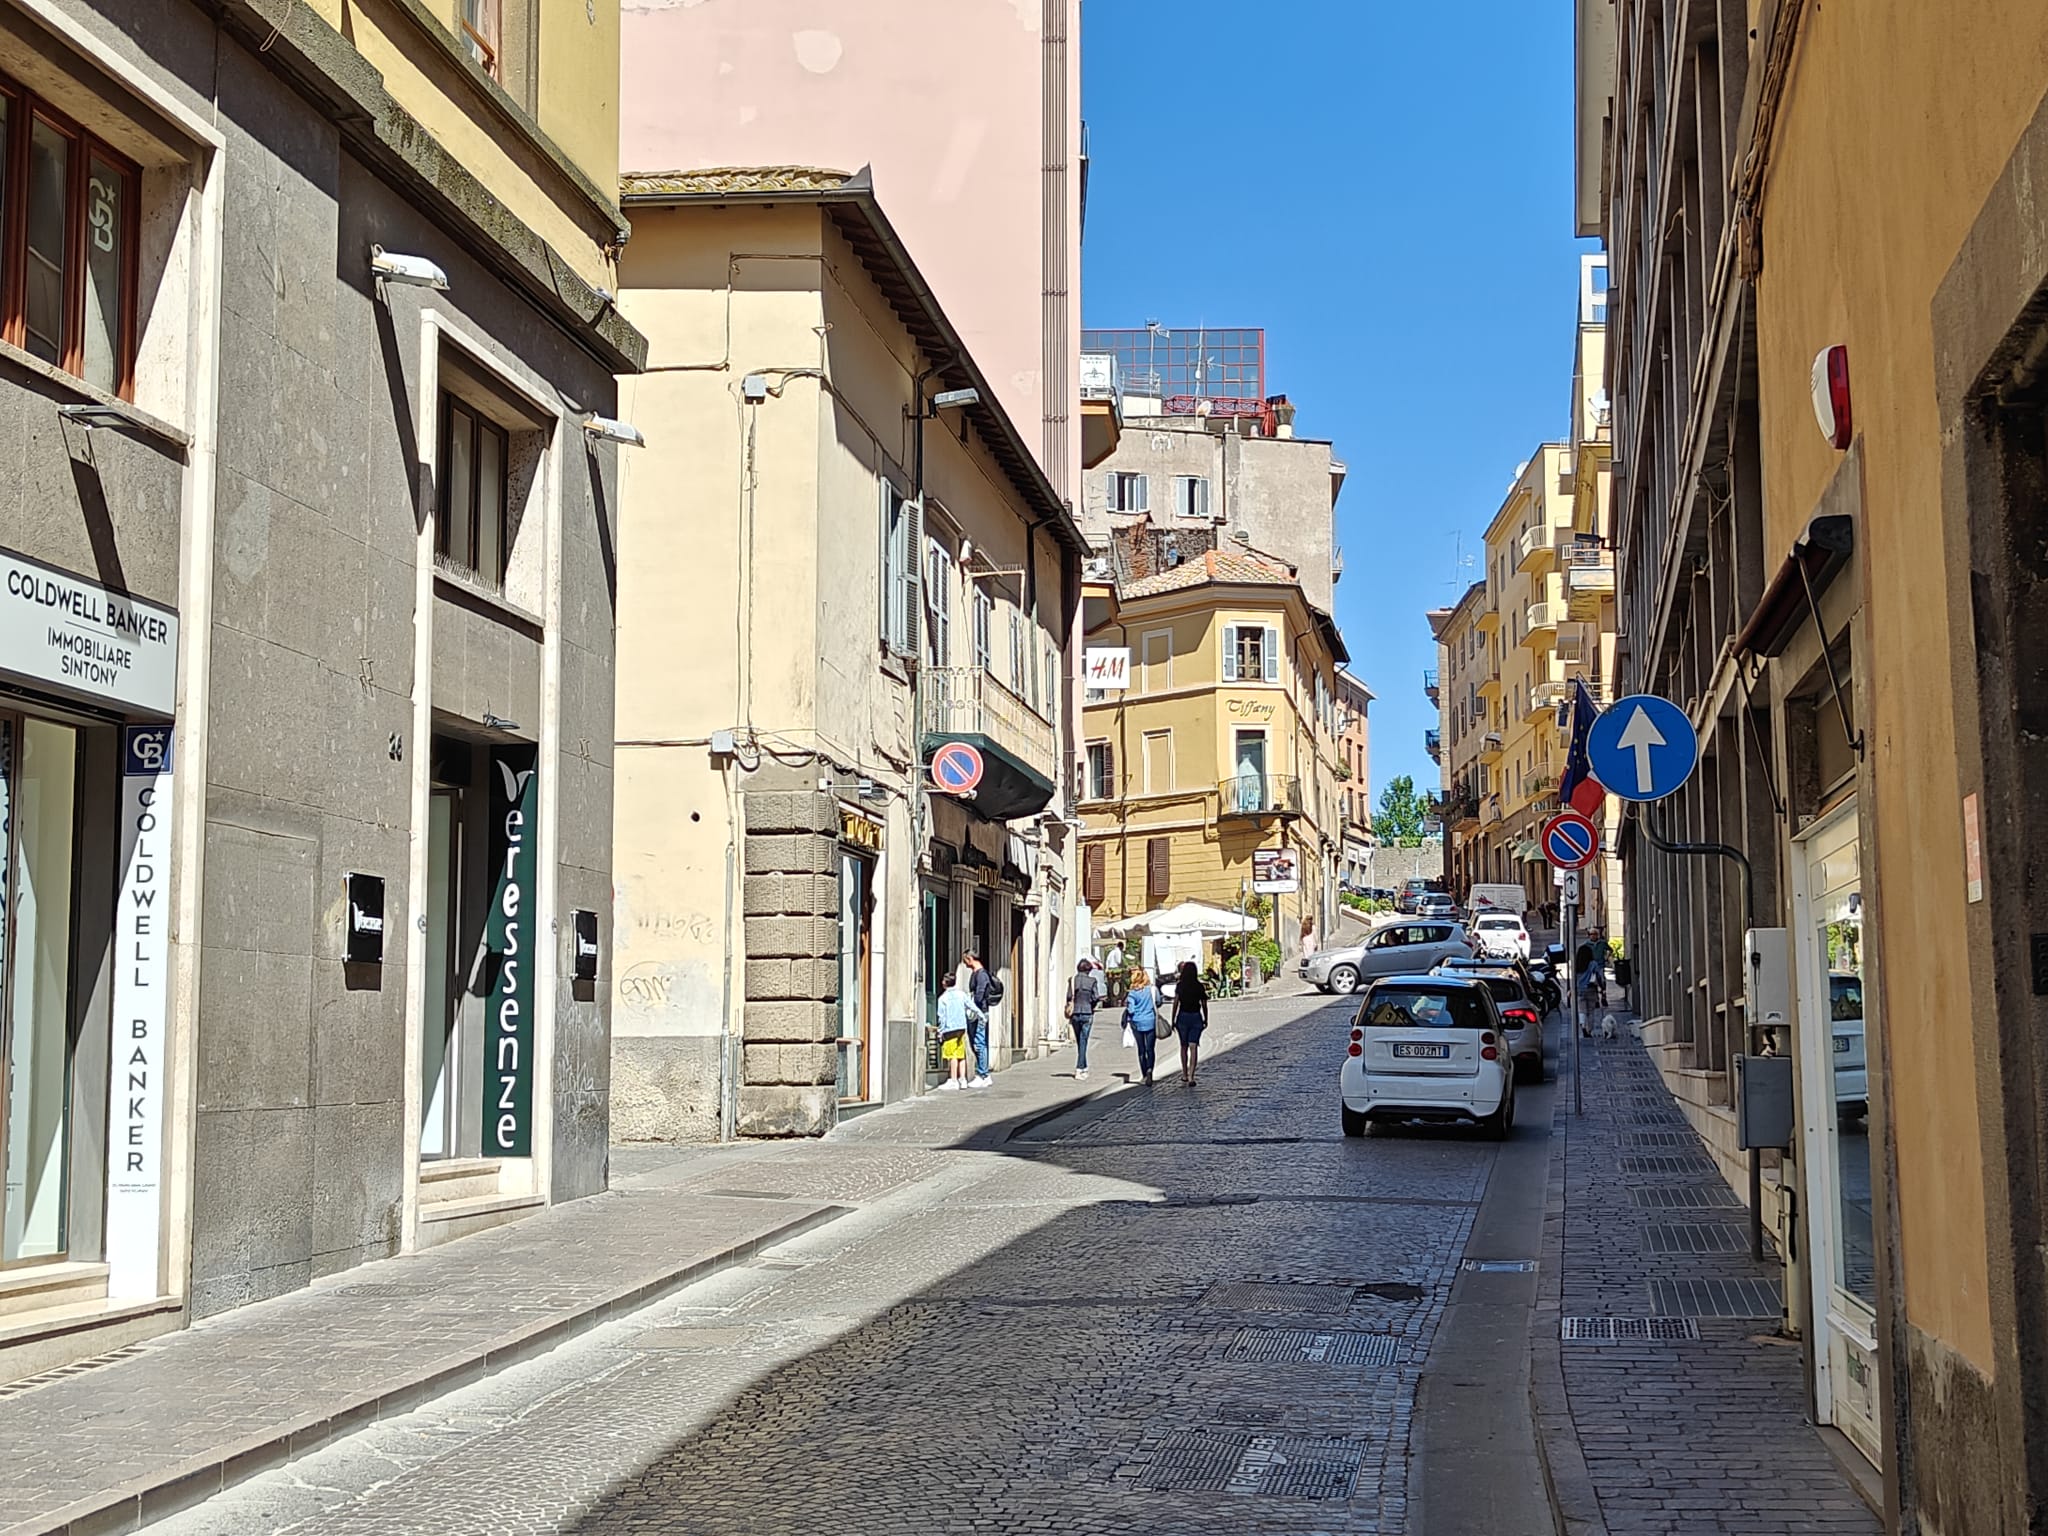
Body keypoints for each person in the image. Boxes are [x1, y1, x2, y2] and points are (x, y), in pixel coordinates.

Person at [935, 974, 985, 1091]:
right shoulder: (961, 995)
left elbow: (942, 1017)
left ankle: (953, 1080)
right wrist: (981, 1016)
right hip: (961, 1028)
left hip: (949, 1029)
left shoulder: (942, 998)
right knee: (961, 1054)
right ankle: (963, 1079)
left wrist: (940, 1031)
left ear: (944, 983)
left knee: (952, 1055)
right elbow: (972, 1006)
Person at [961, 951, 996, 1089]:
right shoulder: (976, 973)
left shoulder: (981, 974)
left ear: (970, 959)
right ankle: (982, 1073)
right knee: (977, 1042)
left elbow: (980, 993)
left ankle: (984, 1075)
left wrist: (973, 1008)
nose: (964, 963)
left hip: (979, 1012)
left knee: (979, 1042)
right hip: (977, 1012)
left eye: (965, 960)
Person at [1172, 960, 1209, 1086]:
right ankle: (1192, 1076)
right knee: (1193, 1046)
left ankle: (1184, 1074)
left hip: (1182, 1017)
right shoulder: (1199, 986)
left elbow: (1176, 1003)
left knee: (1183, 1046)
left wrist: (1173, 1019)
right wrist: (1206, 1019)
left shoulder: (1180, 986)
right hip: (1196, 1017)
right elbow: (1204, 1004)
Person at [1065, 959, 1101, 1079]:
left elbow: (1069, 996)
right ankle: (1079, 1069)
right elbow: (1096, 997)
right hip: (1087, 1013)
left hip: (1075, 1013)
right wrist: (1091, 1006)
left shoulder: (1072, 980)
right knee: (1083, 1040)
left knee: (1080, 1041)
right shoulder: (1092, 981)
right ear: (1088, 970)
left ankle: (1084, 1067)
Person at [1124, 966, 1160, 1084]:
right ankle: (1150, 1070)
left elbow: (1131, 1010)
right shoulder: (1152, 990)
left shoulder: (1132, 993)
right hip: (1150, 1021)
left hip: (1137, 1022)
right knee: (1150, 1049)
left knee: (1141, 1049)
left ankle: (1144, 1074)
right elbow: (1158, 1002)